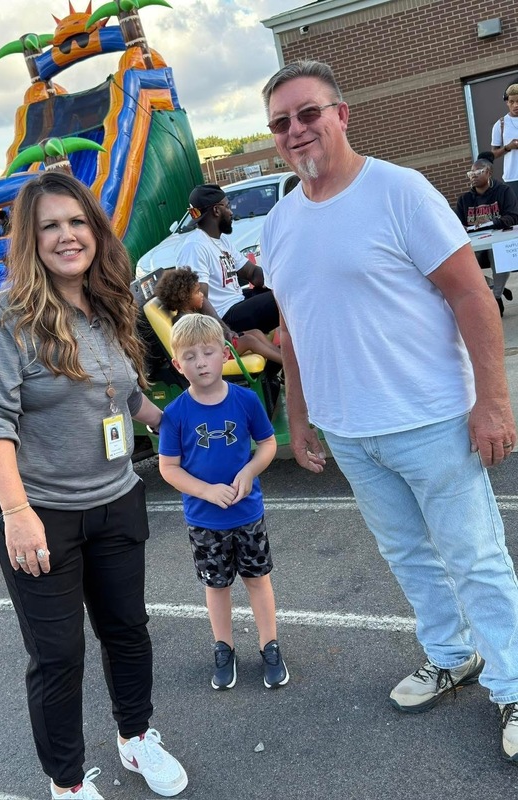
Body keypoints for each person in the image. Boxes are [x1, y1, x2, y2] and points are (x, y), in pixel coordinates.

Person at [259, 60, 518, 762]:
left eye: (307, 113)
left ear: (341, 114)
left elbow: (472, 296)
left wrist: (493, 401)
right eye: (281, 122)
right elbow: (295, 328)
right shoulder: (279, 225)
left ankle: (513, 684)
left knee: (474, 556)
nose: (295, 130)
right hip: (351, 431)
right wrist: (302, 418)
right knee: (408, 554)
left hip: (431, 418)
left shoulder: (399, 192)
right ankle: (451, 654)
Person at [0, 171, 188, 800]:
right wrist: (16, 511)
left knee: (127, 630)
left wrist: (176, 428)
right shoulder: (3, 317)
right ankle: (66, 782)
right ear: (28, 241)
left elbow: (123, 393)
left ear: (95, 230)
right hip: (42, 513)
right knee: (58, 655)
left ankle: (136, 737)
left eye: (77, 222)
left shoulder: (110, 302)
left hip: (116, 499)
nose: (67, 236)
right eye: (50, 226)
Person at [158, 314, 288, 691]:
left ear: (225, 354)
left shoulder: (246, 401)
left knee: (257, 579)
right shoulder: (176, 414)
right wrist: (207, 491)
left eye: (209, 352)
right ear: (177, 365)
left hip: (248, 512)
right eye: (191, 356)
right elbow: (168, 467)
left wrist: (249, 473)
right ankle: (224, 648)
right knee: (216, 585)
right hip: (205, 518)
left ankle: (270, 645)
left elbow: (267, 444)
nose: (201, 362)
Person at [175, 184, 279, 336]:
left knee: (283, 291)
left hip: (239, 303)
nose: (231, 212)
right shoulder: (195, 246)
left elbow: (252, 273)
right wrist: (223, 329)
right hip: (224, 317)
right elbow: (198, 298)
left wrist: (280, 280)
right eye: (228, 206)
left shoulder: (222, 241)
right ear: (216, 210)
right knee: (282, 299)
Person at [154, 267, 282, 366]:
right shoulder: (185, 321)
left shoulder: (193, 313)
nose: (202, 295)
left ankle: (284, 357)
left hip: (217, 346)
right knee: (250, 341)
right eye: (197, 292)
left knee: (256, 332)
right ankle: (284, 362)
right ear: (184, 297)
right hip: (211, 355)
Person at [456, 151, 518, 315]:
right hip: (474, 245)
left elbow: (512, 217)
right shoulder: (464, 200)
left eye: (478, 172)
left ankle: (496, 296)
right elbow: (457, 224)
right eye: (471, 173)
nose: (473, 176)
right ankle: (493, 288)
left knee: (499, 254)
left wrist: (489, 223)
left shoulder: (503, 192)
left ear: (489, 173)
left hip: (497, 241)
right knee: (462, 265)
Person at [492, 83, 518, 198]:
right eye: (512, 102)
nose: (515, 105)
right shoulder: (500, 124)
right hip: (512, 177)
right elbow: (493, 154)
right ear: (507, 102)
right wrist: (508, 147)